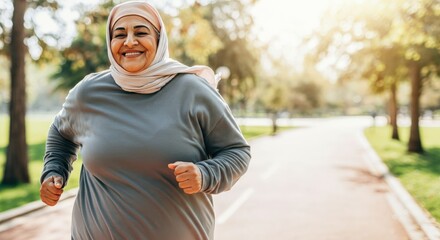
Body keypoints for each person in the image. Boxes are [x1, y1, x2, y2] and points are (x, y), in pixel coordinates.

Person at [39, 1, 251, 239]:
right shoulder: (88, 93)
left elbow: (237, 151)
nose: (129, 41)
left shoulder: (193, 90)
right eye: (119, 34)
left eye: (141, 32)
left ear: (159, 40)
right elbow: (61, 132)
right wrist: (54, 171)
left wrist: (205, 174)